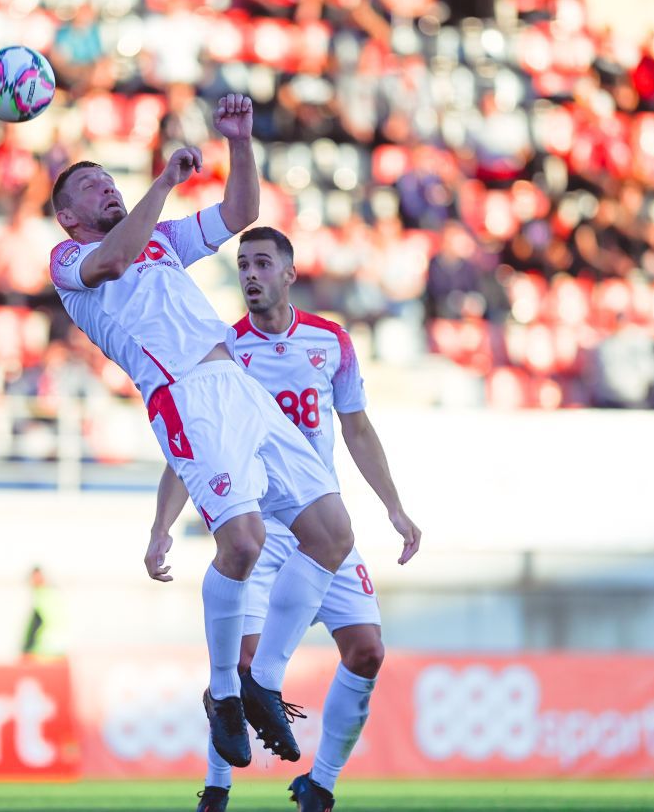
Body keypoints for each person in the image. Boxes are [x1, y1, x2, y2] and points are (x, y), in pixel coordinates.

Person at [49, 94, 407, 768]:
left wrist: (239, 144)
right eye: (91, 187)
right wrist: (162, 182)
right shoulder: (69, 261)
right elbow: (115, 262)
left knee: (332, 533)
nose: (106, 189)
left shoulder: (158, 237)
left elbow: (240, 216)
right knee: (243, 542)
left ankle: (261, 680)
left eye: (108, 181)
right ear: (69, 216)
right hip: (183, 394)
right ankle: (222, 692)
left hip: (238, 385)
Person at [147, 227, 421, 812]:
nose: (250, 273)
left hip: (323, 527)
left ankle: (319, 785)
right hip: (262, 527)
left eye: (262, 263)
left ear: (289, 274)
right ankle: (218, 788)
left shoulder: (330, 342)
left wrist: (393, 506)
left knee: (368, 651)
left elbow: (357, 428)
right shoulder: (222, 352)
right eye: (242, 263)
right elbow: (189, 446)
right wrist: (161, 525)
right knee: (243, 667)